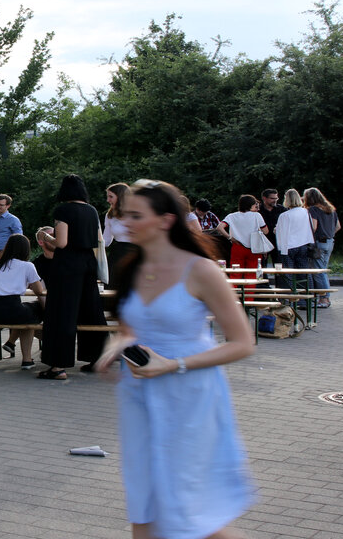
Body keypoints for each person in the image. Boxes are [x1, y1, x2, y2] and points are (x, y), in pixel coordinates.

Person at [96, 179, 255, 539]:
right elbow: (132, 329)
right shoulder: (133, 268)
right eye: (124, 215)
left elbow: (243, 343)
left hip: (190, 397)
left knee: (193, 512)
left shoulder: (200, 270)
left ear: (166, 220)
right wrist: (115, 347)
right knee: (144, 503)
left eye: (136, 216)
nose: (126, 223)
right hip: (138, 397)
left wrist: (173, 364)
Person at [39, 174, 107, 379]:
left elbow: (61, 242)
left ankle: (58, 366)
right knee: (91, 310)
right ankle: (97, 358)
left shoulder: (63, 210)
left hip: (67, 265)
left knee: (62, 312)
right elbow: (97, 238)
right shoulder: (92, 210)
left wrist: (45, 236)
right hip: (88, 262)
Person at [0, 234, 45, 368]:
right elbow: (39, 291)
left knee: (25, 314)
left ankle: (12, 343)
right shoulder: (27, 266)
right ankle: (27, 359)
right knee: (32, 315)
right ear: (25, 250)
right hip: (13, 309)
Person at [304, 187, 340, 305]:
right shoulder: (331, 209)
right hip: (330, 242)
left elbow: (313, 227)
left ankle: (324, 298)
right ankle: (324, 297)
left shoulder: (313, 209)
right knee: (323, 269)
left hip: (319, 243)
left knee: (318, 271)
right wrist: (329, 234)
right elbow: (338, 226)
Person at [215, 195, 267, 275]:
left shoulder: (231, 216)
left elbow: (219, 227)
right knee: (252, 273)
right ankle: (250, 287)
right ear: (251, 205)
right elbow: (265, 231)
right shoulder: (257, 215)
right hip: (254, 247)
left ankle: (235, 287)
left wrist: (230, 237)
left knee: (235, 272)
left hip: (237, 246)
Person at [274, 189, 314, 290]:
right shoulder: (306, 212)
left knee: (288, 273)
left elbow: (280, 232)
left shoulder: (285, 215)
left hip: (288, 247)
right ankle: (306, 297)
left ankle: (289, 297)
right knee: (304, 272)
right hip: (303, 244)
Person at [104, 182, 134, 272]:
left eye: (111, 196)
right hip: (118, 253)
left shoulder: (136, 214)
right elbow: (106, 240)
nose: (108, 200)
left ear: (121, 197)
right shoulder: (110, 215)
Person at [257, 188, 286, 267]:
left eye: (276, 198)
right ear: (264, 198)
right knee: (262, 265)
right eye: (272, 198)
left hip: (277, 241)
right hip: (263, 240)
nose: (275, 200)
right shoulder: (258, 210)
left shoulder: (281, 209)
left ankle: (279, 279)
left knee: (278, 266)